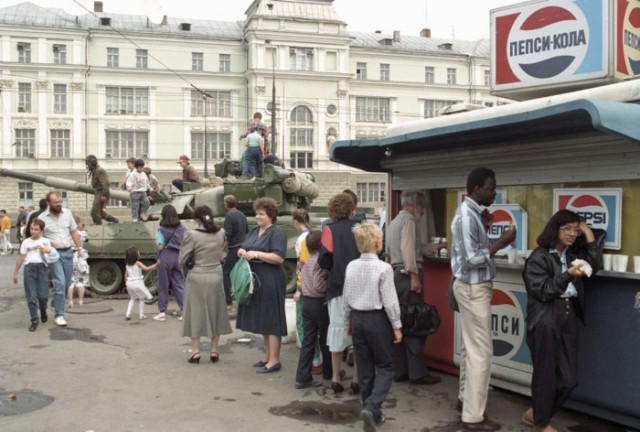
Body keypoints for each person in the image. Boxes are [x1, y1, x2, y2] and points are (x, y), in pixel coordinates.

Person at [521, 210, 602, 432]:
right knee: (545, 373)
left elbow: (594, 264)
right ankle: (541, 423)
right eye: (566, 229)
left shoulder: (572, 252)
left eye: (575, 230)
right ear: (554, 229)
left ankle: (536, 413)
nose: (571, 234)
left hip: (568, 315)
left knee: (569, 379)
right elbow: (543, 290)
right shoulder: (539, 257)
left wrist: (587, 232)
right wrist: (569, 274)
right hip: (545, 316)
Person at [450, 167, 516, 432]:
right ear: (477, 189)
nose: (495, 192)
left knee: (470, 348)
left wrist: (487, 231)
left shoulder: (472, 214)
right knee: (481, 353)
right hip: (473, 288)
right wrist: (501, 241)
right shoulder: (467, 216)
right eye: (491, 188)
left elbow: (474, 251)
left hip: (471, 287)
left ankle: (466, 399)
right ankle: (473, 418)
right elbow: (472, 260)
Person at [343, 222, 402, 431]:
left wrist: (347, 321)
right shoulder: (384, 268)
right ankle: (372, 406)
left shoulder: (351, 266)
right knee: (386, 366)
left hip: (358, 319)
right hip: (377, 320)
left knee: (365, 368)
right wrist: (397, 325)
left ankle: (373, 414)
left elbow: (346, 298)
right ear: (377, 243)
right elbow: (390, 301)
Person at [387, 190, 441, 385]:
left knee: (400, 321)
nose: (422, 210)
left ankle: (400, 370)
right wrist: (414, 277)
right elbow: (409, 250)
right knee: (415, 323)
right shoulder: (409, 220)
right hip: (407, 275)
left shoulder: (394, 222)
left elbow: (407, 247)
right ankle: (417, 373)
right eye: (421, 205)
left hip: (396, 276)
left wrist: (434, 247)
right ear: (415, 203)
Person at [236, 197, 288, 374]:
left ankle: (275, 360)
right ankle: (267, 356)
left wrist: (256, 254)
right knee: (263, 318)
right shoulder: (254, 230)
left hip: (271, 279)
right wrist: (242, 251)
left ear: (271, 215)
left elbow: (279, 257)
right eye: (257, 213)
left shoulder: (277, 233)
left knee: (272, 318)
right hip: (256, 280)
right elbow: (244, 247)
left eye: (261, 214)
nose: (257, 216)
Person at [319, 192, 361, 394]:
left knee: (336, 331)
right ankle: (357, 379)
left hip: (337, 287)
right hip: (360, 288)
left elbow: (324, 259)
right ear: (351, 209)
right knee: (358, 334)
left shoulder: (329, 230)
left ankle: (336, 378)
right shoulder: (360, 230)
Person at [180, 205, 232, 364]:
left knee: (195, 312)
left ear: (196, 219)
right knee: (215, 311)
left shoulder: (191, 235)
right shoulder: (221, 233)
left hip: (196, 276)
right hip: (216, 275)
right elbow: (224, 252)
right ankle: (214, 350)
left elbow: (182, 259)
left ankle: (196, 352)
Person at [38, 190, 84, 327]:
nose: (58, 205)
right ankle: (59, 314)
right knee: (60, 282)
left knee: (67, 283)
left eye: (60, 202)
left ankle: (55, 302)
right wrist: (47, 241)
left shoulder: (67, 213)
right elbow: (36, 236)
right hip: (53, 254)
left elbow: (73, 231)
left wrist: (79, 248)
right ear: (48, 203)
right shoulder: (42, 218)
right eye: (55, 203)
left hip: (68, 252)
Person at [294, 230, 332, 389]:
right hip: (318, 303)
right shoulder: (319, 262)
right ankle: (329, 372)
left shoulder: (307, 261)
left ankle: (302, 376)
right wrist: (328, 287)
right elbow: (318, 284)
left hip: (307, 303)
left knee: (308, 340)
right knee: (325, 339)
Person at [291, 208, 323, 374]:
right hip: (313, 288)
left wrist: (299, 289)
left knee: (303, 326)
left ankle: (314, 360)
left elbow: (303, 266)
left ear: (295, 222)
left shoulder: (302, 239)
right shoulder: (309, 236)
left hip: (305, 289)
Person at [12, 219, 55, 331]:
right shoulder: (26, 242)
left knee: (43, 296)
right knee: (31, 296)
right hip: (29, 268)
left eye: (36, 229)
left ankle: (43, 310)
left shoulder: (45, 241)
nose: (33, 231)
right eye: (31, 229)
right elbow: (21, 257)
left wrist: (47, 250)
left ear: (41, 230)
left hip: (42, 268)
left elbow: (52, 254)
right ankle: (34, 320)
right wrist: (15, 273)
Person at [154, 204, 186, 322]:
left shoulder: (162, 229)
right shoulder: (182, 228)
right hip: (178, 257)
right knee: (179, 284)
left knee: (163, 285)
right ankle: (185, 311)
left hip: (165, 256)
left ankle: (162, 313)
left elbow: (160, 247)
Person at [222, 195, 248, 306]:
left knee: (225, 273)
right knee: (241, 272)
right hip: (243, 247)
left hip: (234, 249)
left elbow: (228, 234)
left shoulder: (229, 216)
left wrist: (221, 248)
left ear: (226, 204)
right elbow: (247, 230)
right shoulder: (241, 215)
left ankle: (228, 300)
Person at [124, 246, 159, 320]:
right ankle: (141, 315)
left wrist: (126, 284)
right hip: (137, 283)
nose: (139, 253)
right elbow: (146, 269)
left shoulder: (127, 265)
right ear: (135, 256)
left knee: (132, 299)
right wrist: (156, 264)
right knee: (142, 299)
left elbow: (126, 275)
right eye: (138, 253)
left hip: (129, 283)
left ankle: (128, 313)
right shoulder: (138, 263)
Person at [86, 155, 119, 224]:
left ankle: (99, 228)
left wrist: (103, 195)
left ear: (93, 163)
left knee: (94, 213)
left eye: (88, 164)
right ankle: (114, 220)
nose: (88, 166)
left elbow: (106, 184)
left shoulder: (100, 171)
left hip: (101, 193)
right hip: (98, 193)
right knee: (100, 212)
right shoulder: (95, 171)